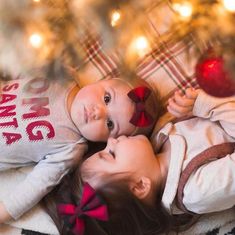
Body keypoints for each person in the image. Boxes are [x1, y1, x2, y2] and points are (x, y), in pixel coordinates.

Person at [46, 88, 235, 235]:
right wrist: (204, 104)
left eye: (104, 148)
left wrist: (187, 102)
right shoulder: (196, 191)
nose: (111, 140)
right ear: (140, 185)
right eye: (111, 154)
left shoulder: (159, 139)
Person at [0, 71, 161, 224]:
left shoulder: (71, 148)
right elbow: (20, 67)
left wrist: (4, 212)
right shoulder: (62, 76)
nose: (98, 112)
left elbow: (35, 185)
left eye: (110, 123)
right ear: (102, 80)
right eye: (106, 98)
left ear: (107, 141)